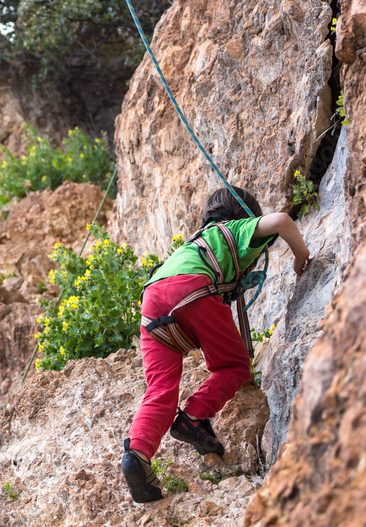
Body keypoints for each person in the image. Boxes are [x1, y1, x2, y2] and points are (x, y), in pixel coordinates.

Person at [121, 186, 311, 503]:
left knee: (160, 390)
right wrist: (301, 257)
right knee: (234, 366)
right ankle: (193, 418)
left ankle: (137, 455)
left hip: (152, 301)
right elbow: (281, 221)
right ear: (245, 215)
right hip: (191, 289)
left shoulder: (193, 243)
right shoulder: (234, 229)